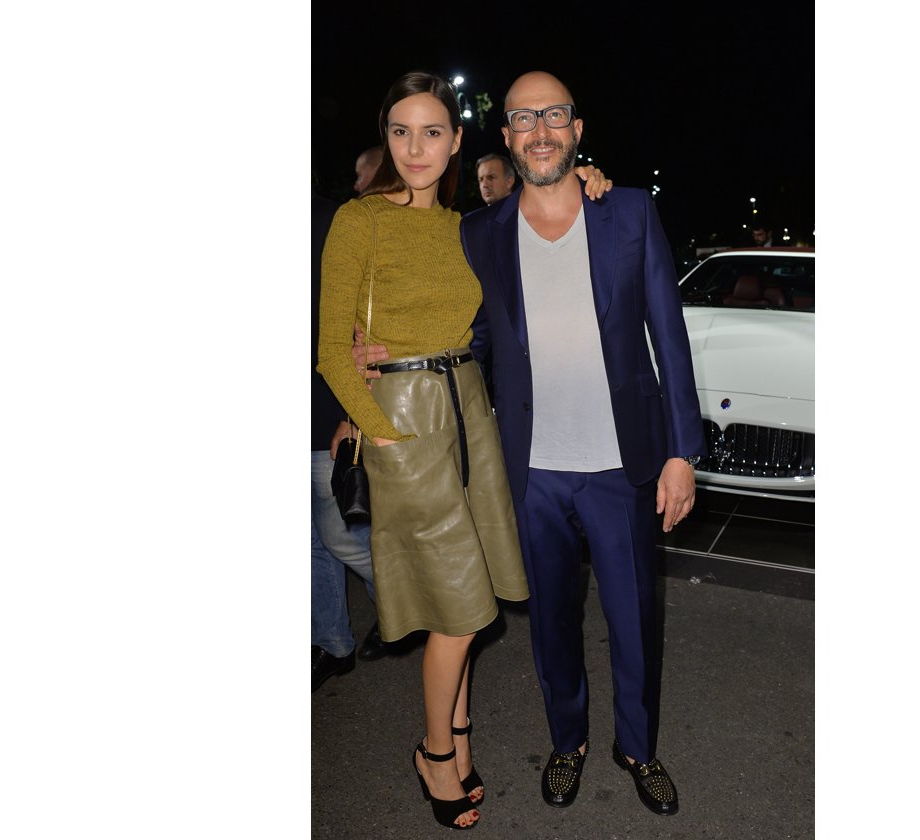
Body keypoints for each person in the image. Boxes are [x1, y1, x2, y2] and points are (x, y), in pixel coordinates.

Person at [319, 70, 611, 831]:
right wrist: (377, 426)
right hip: (407, 422)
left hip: (471, 413)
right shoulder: (359, 219)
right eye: (401, 132)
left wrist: (588, 178)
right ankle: (435, 752)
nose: (415, 148)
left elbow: (541, 222)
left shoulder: (468, 227)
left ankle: (461, 733)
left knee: (470, 598)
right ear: (387, 139)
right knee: (459, 609)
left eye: (432, 132)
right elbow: (329, 348)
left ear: (456, 141)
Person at [460, 71, 706, 818]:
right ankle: (567, 741)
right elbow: (471, 340)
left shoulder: (627, 212)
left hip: (621, 466)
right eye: (523, 118)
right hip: (531, 472)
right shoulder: (479, 233)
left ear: (576, 129)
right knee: (552, 626)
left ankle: (638, 746)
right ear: (506, 136)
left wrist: (681, 452)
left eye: (554, 115)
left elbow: (669, 334)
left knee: (635, 622)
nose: (539, 130)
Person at [312, 184, 383, 692]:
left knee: (340, 535)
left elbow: (364, 318)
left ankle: (406, 605)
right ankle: (332, 642)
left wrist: (349, 411)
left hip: (324, 412)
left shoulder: (335, 221)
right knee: (310, 544)